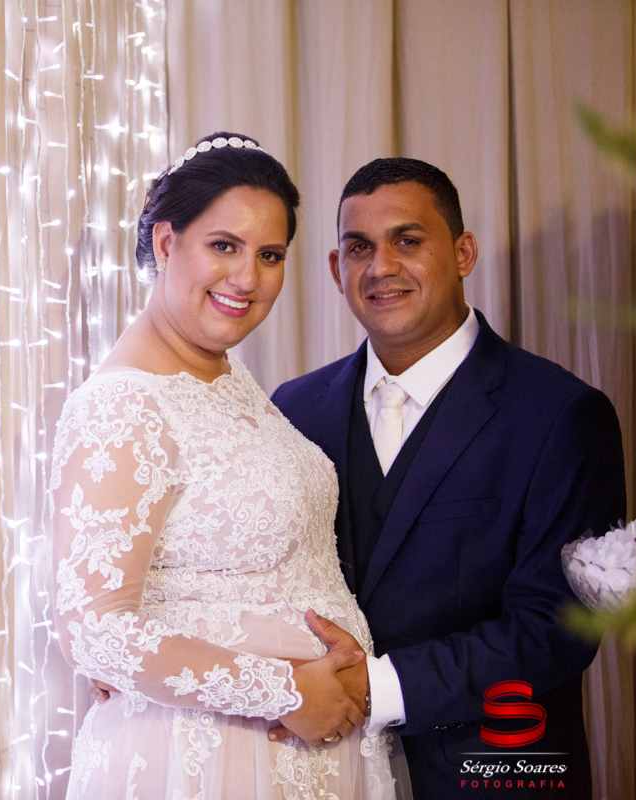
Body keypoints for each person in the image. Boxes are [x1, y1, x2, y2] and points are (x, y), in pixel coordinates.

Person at [49, 133, 398, 799]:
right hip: (205, 760)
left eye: (270, 255)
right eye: (224, 246)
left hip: (308, 752)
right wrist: (286, 690)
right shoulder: (123, 404)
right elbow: (93, 630)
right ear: (165, 243)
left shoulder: (228, 378)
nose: (247, 278)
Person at [270, 158, 627, 800]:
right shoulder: (293, 409)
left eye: (407, 240)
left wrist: (373, 689)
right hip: (322, 769)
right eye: (359, 248)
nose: (380, 267)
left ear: (463, 253)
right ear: (336, 268)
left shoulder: (560, 413)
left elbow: (555, 627)